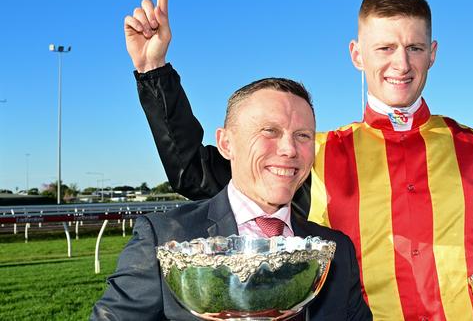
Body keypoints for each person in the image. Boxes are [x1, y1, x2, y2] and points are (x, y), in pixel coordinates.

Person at [129, 0, 473, 320]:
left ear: (433, 54)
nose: (401, 63)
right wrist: (154, 71)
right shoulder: (313, 152)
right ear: (357, 54)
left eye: (415, 47)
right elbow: (192, 170)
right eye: (385, 47)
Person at [91, 77, 372, 320]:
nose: (289, 149)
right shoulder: (165, 238)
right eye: (269, 131)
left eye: (303, 135)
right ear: (226, 143)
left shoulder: (337, 250)